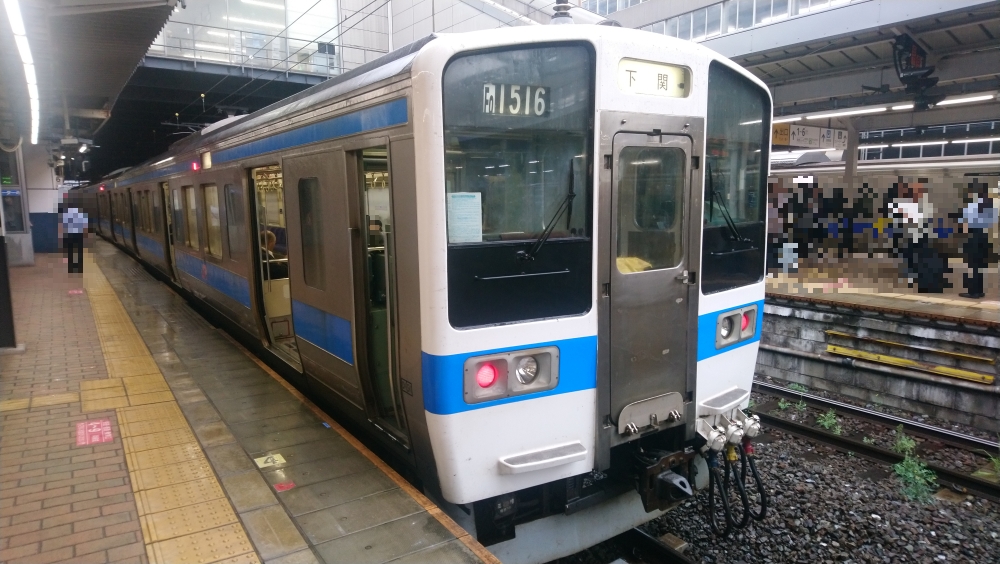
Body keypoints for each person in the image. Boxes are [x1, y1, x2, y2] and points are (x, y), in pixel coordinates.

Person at [958, 180, 998, 299]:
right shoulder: (990, 206)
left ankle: (973, 292)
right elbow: (992, 223)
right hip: (985, 238)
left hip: (974, 238)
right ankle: (980, 291)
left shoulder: (972, 206)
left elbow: (964, 226)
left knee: (974, 266)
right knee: (980, 266)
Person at [60, 204, 87, 273]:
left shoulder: (66, 214)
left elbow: (64, 226)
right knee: (79, 250)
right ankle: (79, 266)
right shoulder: (81, 214)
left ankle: (71, 267)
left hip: (69, 234)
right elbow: (84, 225)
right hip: (79, 234)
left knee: (70, 250)